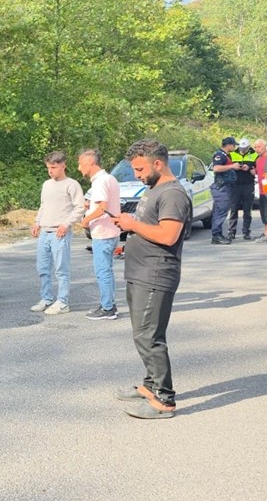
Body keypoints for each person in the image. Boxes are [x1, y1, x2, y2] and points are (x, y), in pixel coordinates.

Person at [113, 139, 191, 420]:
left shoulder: (173, 194)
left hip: (156, 275)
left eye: (140, 169)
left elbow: (168, 236)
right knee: (142, 334)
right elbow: (150, 229)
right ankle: (150, 385)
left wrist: (132, 224)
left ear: (157, 163)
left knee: (149, 336)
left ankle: (164, 400)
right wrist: (130, 234)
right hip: (139, 272)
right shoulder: (153, 189)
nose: (137, 175)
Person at [30, 151, 85, 315]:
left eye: (54, 167)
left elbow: (80, 207)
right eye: (48, 168)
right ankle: (46, 298)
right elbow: (43, 205)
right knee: (43, 268)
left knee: (61, 269)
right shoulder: (47, 184)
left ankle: (62, 302)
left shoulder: (72, 185)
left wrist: (67, 224)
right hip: (45, 232)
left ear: (63, 166)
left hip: (60, 232)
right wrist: (37, 222)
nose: (50, 171)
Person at [77, 149, 121, 320]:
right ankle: (109, 303)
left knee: (103, 271)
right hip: (110, 231)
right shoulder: (109, 178)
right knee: (107, 271)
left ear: (90, 162)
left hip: (103, 233)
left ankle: (107, 308)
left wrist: (86, 219)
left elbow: (102, 207)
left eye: (81, 163)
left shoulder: (100, 182)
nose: (79, 167)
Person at [209, 137, 241, 245]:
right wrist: (232, 166)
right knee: (220, 211)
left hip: (226, 187)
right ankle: (216, 235)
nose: (234, 147)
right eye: (233, 145)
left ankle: (218, 234)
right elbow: (216, 168)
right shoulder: (220, 155)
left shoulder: (226, 155)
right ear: (228, 145)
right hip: (221, 187)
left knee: (221, 211)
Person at [227, 138, 258, 240]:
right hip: (235, 185)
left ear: (248, 147)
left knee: (247, 209)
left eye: (245, 148)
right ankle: (231, 232)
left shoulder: (254, 154)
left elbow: (258, 167)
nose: (242, 150)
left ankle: (246, 232)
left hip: (248, 184)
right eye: (241, 147)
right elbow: (227, 166)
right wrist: (234, 167)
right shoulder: (232, 154)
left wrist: (249, 167)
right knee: (233, 208)